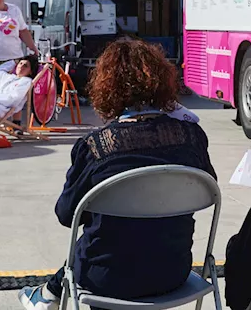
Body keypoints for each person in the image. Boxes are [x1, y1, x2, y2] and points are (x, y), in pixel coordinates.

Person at [18, 38, 216, 310]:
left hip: (107, 279)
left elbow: (67, 215)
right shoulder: (192, 136)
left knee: (98, 242)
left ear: (106, 88)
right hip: (172, 272)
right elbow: (208, 191)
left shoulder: (95, 147)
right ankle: (49, 293)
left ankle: (48, 294)